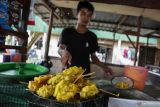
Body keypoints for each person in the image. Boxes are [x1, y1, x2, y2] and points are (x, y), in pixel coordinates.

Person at [58, 1, 113, 75]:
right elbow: (60, 49)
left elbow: (93, 57)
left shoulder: (92, 36)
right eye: (83, 14)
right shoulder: (67, 32)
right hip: (68, 74)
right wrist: (64, 52)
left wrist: (105, 67)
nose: (86, 17)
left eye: (89, 15)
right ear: (77, 14)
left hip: (85, 75)